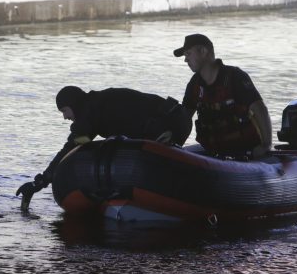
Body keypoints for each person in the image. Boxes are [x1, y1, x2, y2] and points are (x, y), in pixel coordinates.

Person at [16, 85, 192, 208]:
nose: (65, 117)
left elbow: (69, 147)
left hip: (170, 124)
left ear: (73, 105)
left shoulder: (88, 112)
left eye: (64, 111)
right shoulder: (96, 106)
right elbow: (78, 144)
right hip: (178, 118)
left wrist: (39, 182)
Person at [174, 33, 272, 159]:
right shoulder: (195, 84)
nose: (186, 60)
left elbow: (260, 109)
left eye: (188, 54)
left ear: (203, 51)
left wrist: (266, 145)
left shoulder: (235, 76)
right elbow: (184, 118)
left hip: (246, 151)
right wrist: (174, 143)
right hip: (214, 151)